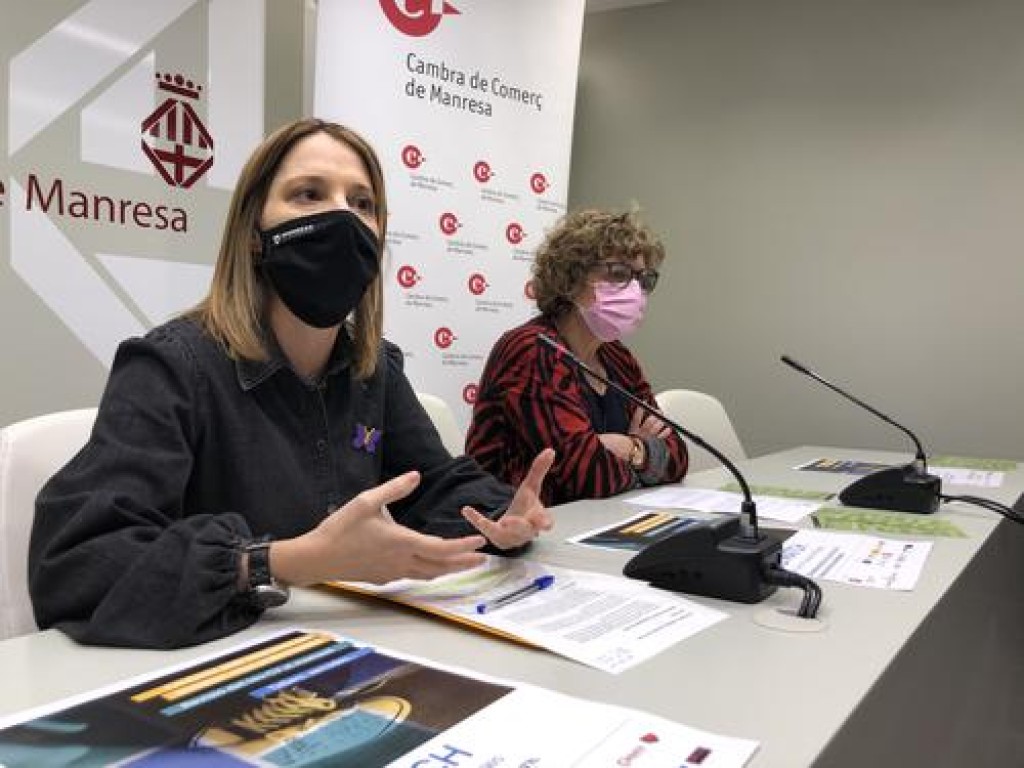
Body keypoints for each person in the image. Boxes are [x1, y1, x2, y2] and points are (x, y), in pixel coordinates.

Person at [29, 118, 554, 649]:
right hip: (209, 662)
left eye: (363, 203)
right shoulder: (171, 365)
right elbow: (77, 565)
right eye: (309, 194)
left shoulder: (375, 368)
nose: (342, 217)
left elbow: (434, 485)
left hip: (347, 645)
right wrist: (284, 561)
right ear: (252, 233)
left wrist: (500, 516)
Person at [466, 209, 687, 505]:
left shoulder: (616, 356)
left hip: (597, 518)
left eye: (643, 279)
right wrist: (644, 457)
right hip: (516, 524)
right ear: (570, 279)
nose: (635, 290)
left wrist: (629, 449)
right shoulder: (533, 349)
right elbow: (587, 477)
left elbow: (678, 456)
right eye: (618, 274)